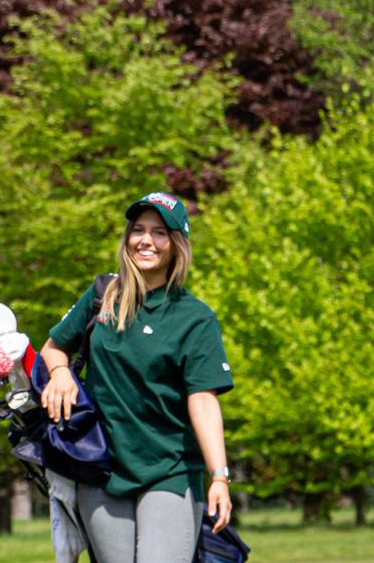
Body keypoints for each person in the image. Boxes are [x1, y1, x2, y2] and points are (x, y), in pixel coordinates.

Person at [40, 191, 234, 563]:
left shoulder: (194, 318)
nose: (146, 240)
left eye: (160, 232)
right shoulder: (102, 295)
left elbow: (203, 402)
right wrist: (60, 372)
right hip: (100, 466)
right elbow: (53, 348)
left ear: (177, 244)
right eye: (139, 230)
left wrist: (219, 476)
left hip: (169, 471)